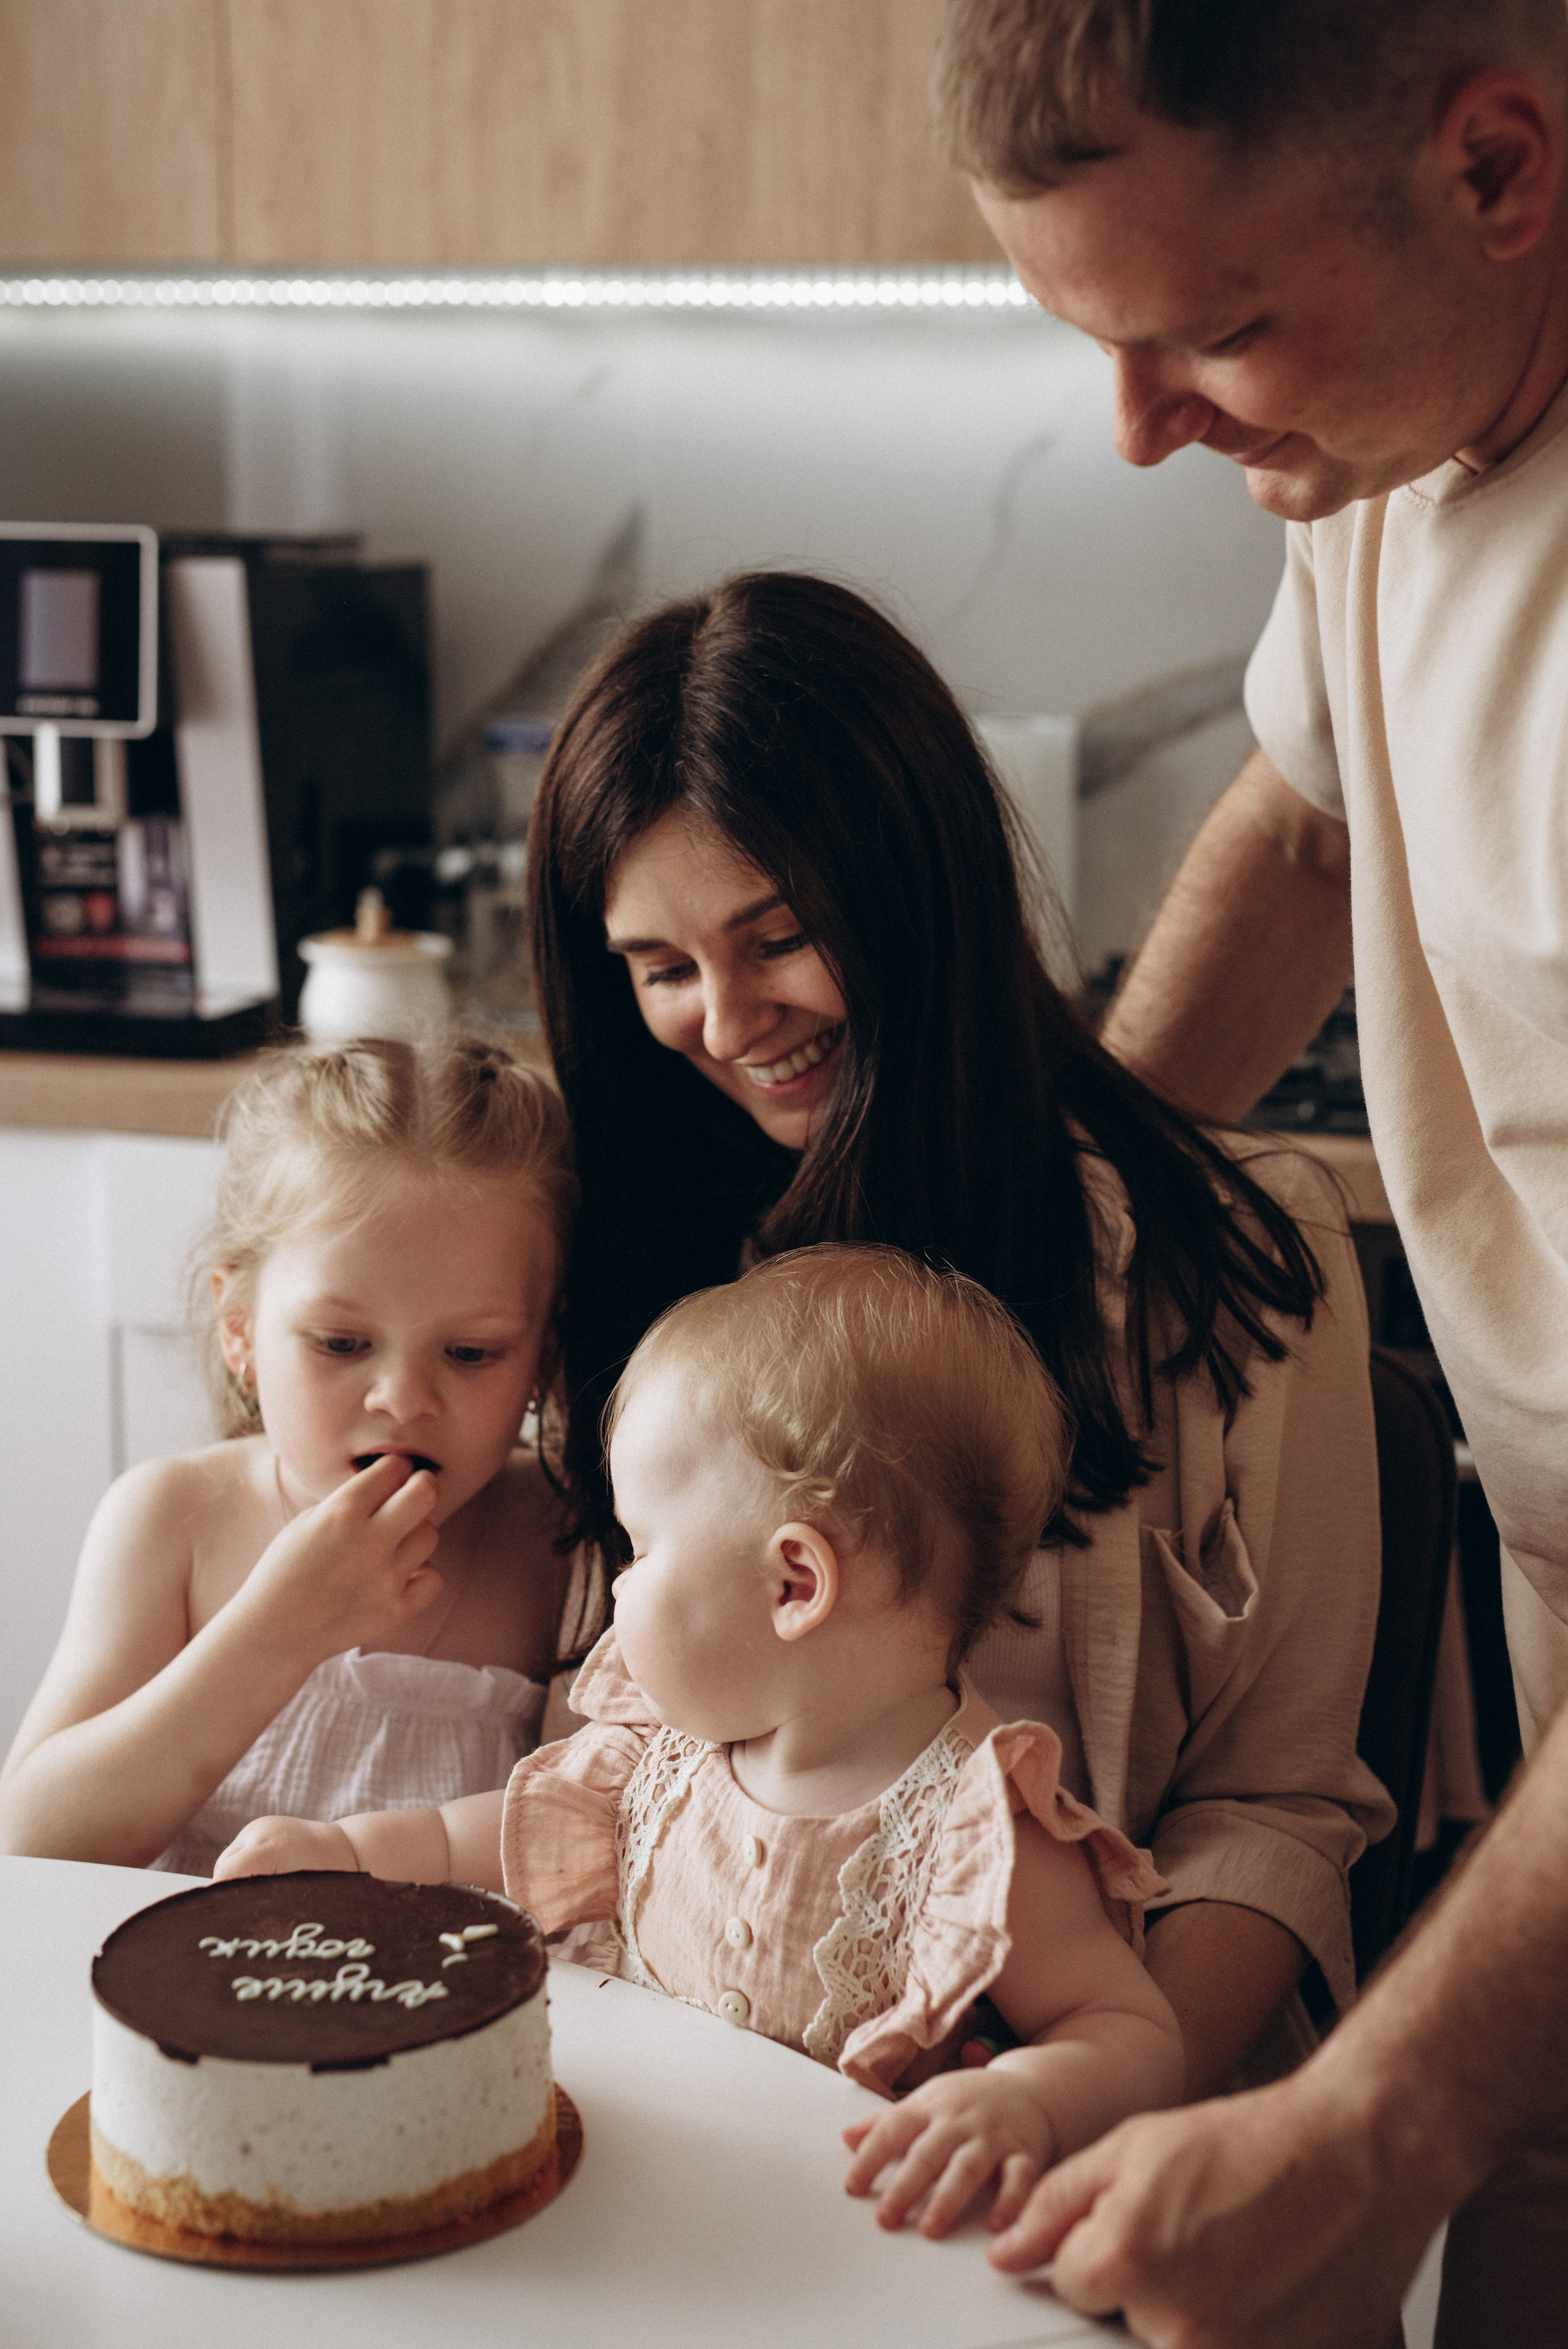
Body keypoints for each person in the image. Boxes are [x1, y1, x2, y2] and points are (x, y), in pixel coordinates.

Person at [930, 0, 1568, 2342]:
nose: (1140, 430)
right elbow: (1303, 822)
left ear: (1497, 169)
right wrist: (1034, 1233)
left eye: (1211, 332)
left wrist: (1370, 2129)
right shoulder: (1398, 426)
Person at [527, 566, 1387, 2109]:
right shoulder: (625, 1253)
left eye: (778, 936)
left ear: (915, 892)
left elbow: (1272, 1809)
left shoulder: (1235, 1255)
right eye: (660, 969)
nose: (725, 1020)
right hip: (682, 2090)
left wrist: (1072, 2100)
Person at [217, 1245, 1189, 2234]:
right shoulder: (668, 1752)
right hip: (626, 2190)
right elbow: (484, 1837)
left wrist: (1026, 2101)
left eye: (640, 1548)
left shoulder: (974, 1835)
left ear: (794, 1584)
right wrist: (344, 1853)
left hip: (822, 2241)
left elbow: (1127, 2029)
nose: (618, 1584)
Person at [0, 1035, 579, 1876]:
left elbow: (599, 1842)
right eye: (342, 1343)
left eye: (470, 1353)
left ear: (541, 1357)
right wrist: (276, 1632)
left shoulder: (564, 1544)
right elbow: (31, 1843)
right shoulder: (173, 1521)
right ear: (239, 1330)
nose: (403, 1400)